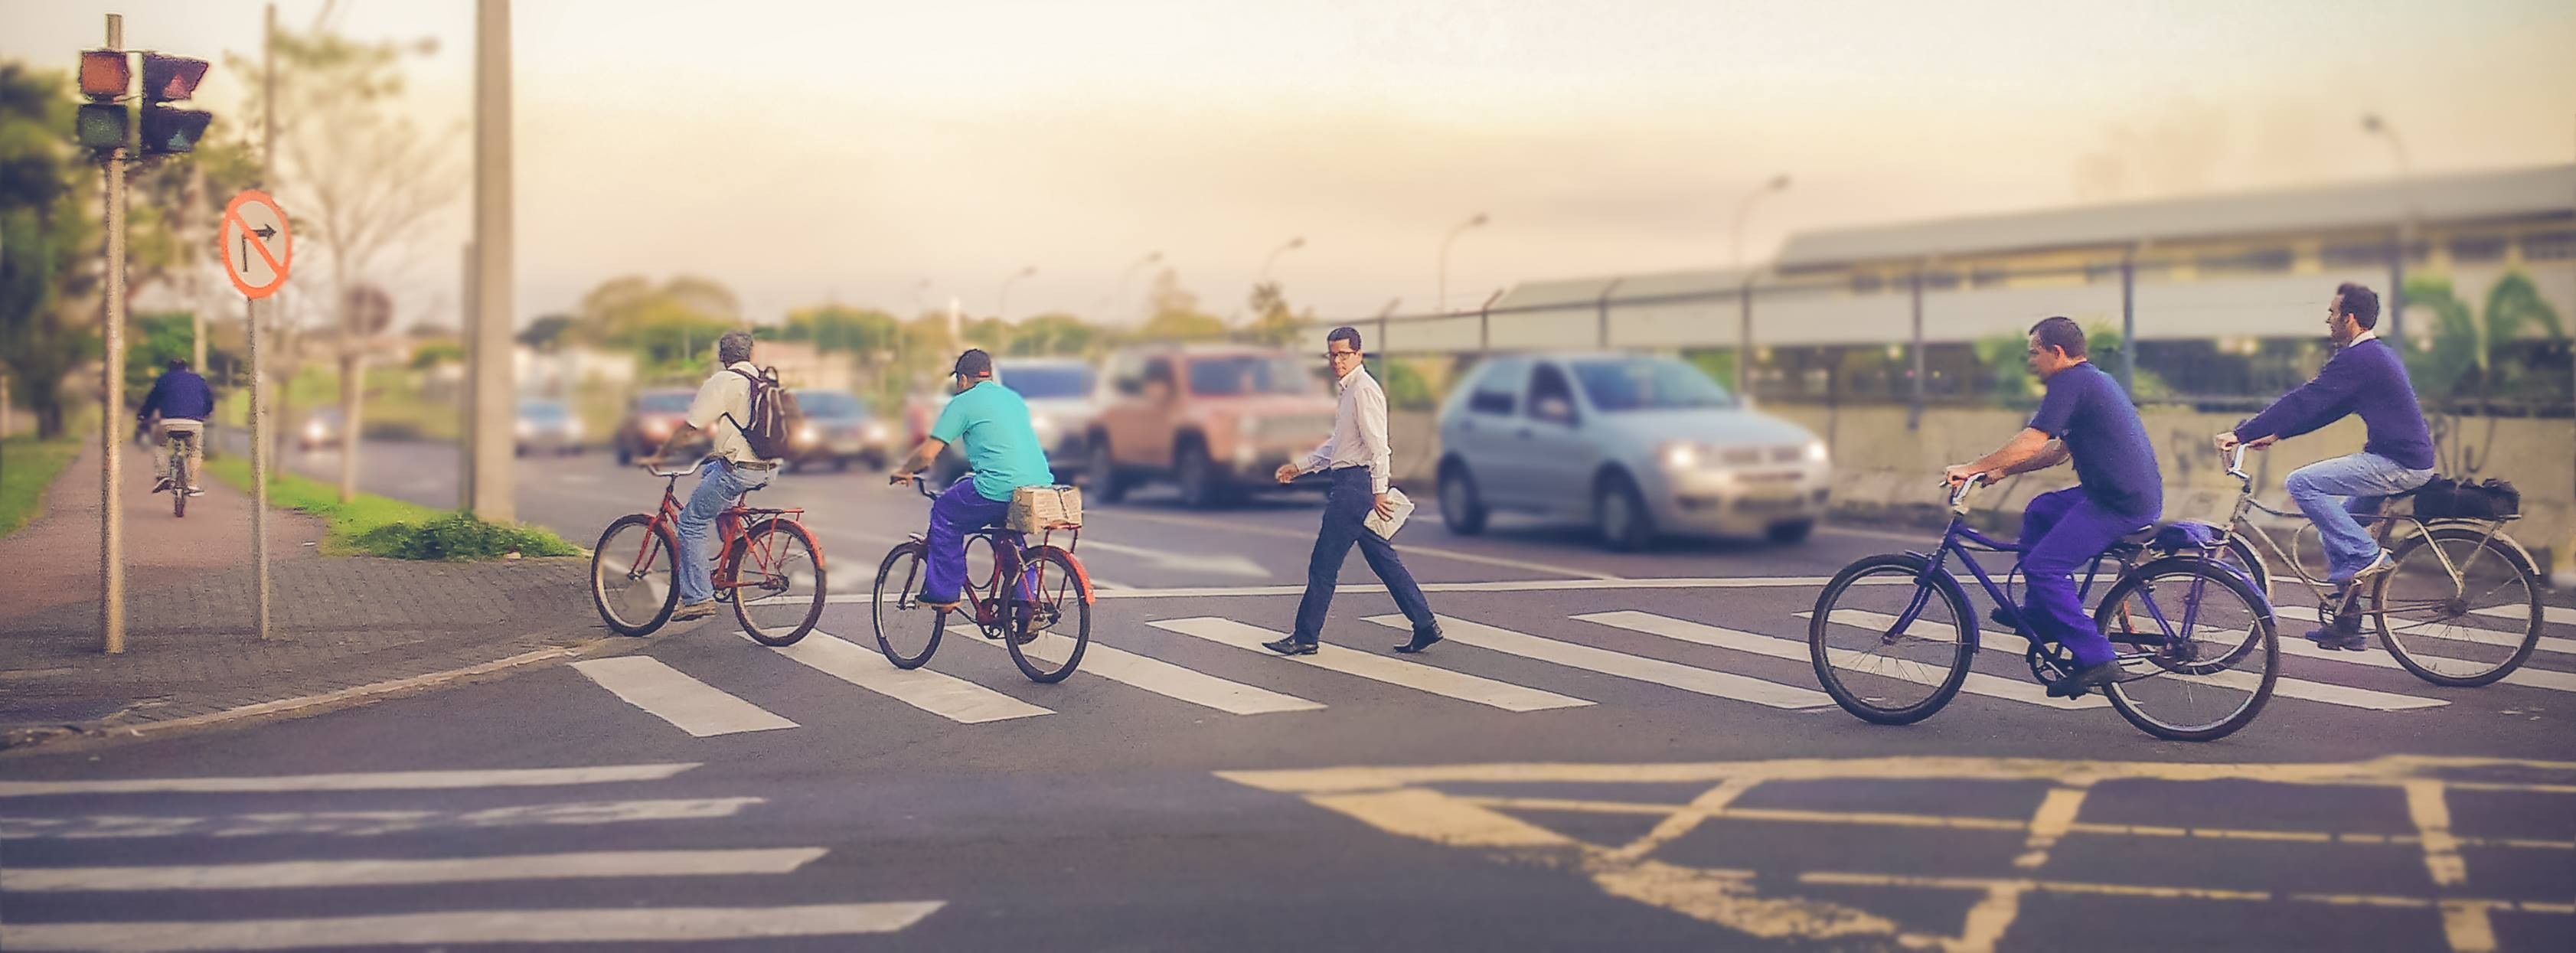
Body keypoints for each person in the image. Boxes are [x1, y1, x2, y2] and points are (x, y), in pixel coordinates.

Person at [1946, 317, 2163, 698]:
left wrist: (1972, 467)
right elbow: (2058, 452)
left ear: (2056, 352)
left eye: (2034, 353)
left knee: (2044, 567)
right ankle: (2041, 615)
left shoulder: (2070, 382)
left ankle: (2096, 657)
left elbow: (2032, 440)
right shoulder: (2091, 380)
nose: (2031, 362)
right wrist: (2002, 470)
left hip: (2118, 503)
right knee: (2041, 510)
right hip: (2119, 493)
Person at [2215, 282, 2434, 649]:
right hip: (2401, 459)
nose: (2327, 320)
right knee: (2334, 531)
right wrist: (2277, 433)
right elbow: (2328, 408)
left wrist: (2241, 433)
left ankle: (2367, 555)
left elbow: (2305, 399)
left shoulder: (2360, 358)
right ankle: (2347, 623)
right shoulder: (2375, 356)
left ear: (2350, 318)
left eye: (2333, 313)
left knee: (2301, 483)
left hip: (2398, 464)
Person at [1265, 326, 1442, 657]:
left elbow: (1379, 447)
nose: (1337, 361)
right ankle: (1424, 624)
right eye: (1332, 355)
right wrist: (1300, 467)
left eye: (1344, 355)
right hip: (1352, 483)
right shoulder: (1349, 390)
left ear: (1359, 354)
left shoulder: (1363, 390)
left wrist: (1379, 491)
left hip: (1354, 488)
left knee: (1324, 564)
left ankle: (1305, 636)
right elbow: (1340, 444)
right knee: (1383, 560)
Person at [887, 349, 1055, 612]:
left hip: (997, 487)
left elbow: (928, 454)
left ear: (963, 379)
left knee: (945, 513)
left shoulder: (962, 403)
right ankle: (1026, 604)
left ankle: (944, 594)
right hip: (1037, 486)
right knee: (1007, 534)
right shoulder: (1013, 399)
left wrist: (905, 470)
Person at [650, 330, 779, 622]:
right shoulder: (764, 382)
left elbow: (691, 428)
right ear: (751, 354)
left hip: (740, 470)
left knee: (690, 522)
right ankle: (735, 544)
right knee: (711, 471)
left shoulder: (723, 381)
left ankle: (698, 598)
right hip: (769, 468)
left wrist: (662, 455)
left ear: (722, 357)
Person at [139, 357, 214, 496]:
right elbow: (209, 401)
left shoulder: (163, 379)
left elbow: (152, 401)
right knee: (194, 451)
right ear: (186, 368)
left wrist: (144, 415)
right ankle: (193, 485)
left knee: (159, 445)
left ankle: (163, 475)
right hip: (194, 422)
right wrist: (206, 413)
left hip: (168, 422)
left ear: (169, 369)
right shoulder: (199, 380)